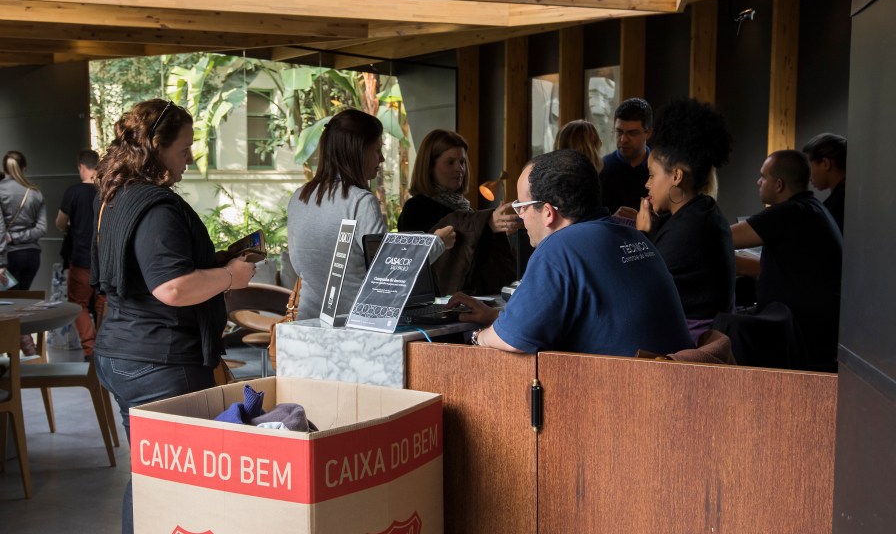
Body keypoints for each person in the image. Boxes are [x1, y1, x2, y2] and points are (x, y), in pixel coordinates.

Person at [90, 98, 256, 534]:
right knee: (173, 480)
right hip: (158, 359)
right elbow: (173, 286)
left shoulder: (117, 199)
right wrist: (231, 276)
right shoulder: (157, 209)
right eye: (184, 148)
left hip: (121, 351)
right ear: (157, 148)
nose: (190, 157)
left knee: (149, 474)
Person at [448, 149, 692, 356]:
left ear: (547, 212)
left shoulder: (560, 248)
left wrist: (476, 337)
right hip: (672, 388)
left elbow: (512, 340)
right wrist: (494, 316)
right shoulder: (633, 237)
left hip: (629, 399)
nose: (520, 217)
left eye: (521, 207)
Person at [731, 150, 843, 371]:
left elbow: (720, 237)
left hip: (799, 334)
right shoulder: (812, 209)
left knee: (722, 330)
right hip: (813, 330)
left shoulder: (790, 212)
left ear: (779, 184)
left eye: (763, 177)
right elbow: (767, 269)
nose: (758, 181)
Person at [636, 98, 735, 342]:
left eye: (651, 175)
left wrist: (640, 235)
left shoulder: (690, 230)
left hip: (689, 352)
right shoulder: (701, 213)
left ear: (677, 176)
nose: (647, 184)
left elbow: (636, 289)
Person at [287, 109, 389, 320]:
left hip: (308, 325)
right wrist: (437, 243)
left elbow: (298, 266)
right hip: (355, 325)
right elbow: (385, 271)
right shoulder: (361, 201)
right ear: (358, 151)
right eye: (377, 150)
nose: (382, 158)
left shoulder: (299, 198)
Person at [397, 129, 517, 294]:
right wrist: (486, 222)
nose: (459, 169)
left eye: (462, 162)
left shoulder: (464, 207)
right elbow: (418, 262)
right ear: (429, 166)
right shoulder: (416, 209)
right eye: (450, 162)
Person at [55, 149, 102, 360]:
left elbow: (60, 223)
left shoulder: (73, 192)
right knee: (103, 303)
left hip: (81, 258)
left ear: (82, 167)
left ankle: (90, 348)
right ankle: (104, 347)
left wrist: (72, 228)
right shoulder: (106, 192)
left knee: (78, 304)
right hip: (104, 260)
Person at [0, 150, 47, 291]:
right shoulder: (36, 192)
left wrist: (1, 263)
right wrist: (16, 237)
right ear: (24, 168)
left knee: (6, 305)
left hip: (9, 256)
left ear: (4, 168)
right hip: (32, 256)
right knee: (23, 303)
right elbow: (41, 229)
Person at [599, 98, 653, 215]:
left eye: (632, 133)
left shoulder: (661, 170)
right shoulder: (601, 168)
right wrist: (612, 220)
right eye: (619, 132)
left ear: (648, 133)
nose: (623, 140)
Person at [802, 132, 847, 233]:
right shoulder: (844, 196)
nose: (808, 177)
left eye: (809, 166)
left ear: (825, 163)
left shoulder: (840, 201)